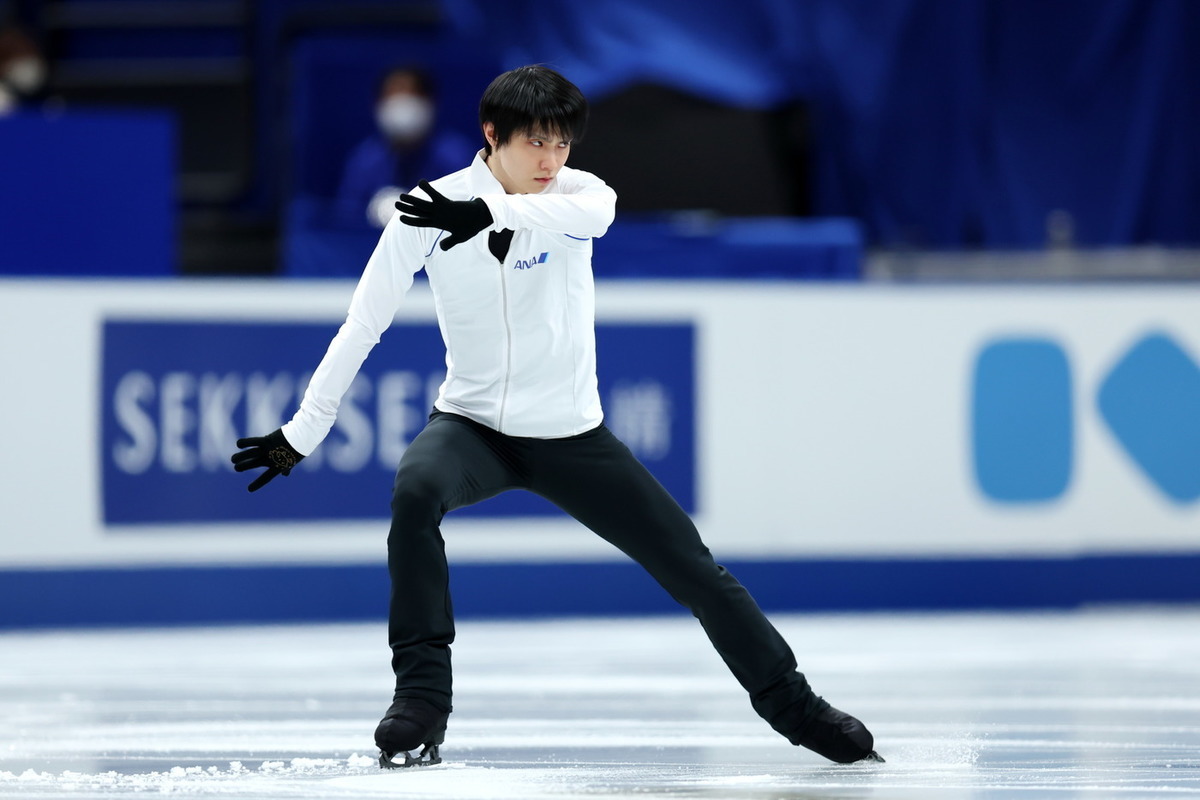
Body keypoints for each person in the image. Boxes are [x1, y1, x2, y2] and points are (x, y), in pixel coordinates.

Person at [232, 64, 881, 770]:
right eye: (536, 142)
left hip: (574, 437)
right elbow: (364, 323)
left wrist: (492, 213)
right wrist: (303, 432)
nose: (550, 160)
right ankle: (420, 703)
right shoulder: (428, 208)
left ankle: (795, 705)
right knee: (415, 491)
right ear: (492, 134)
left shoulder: (578, 196)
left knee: (693, 568)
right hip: (471, 429)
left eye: (562, 143)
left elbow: (595, 214)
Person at [333, 65, 475, 228]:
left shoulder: (457, 158)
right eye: (393, 96)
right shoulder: (364, 160)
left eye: (410, 95)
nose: (401, 105)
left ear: (430, 103)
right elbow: (347, 220)